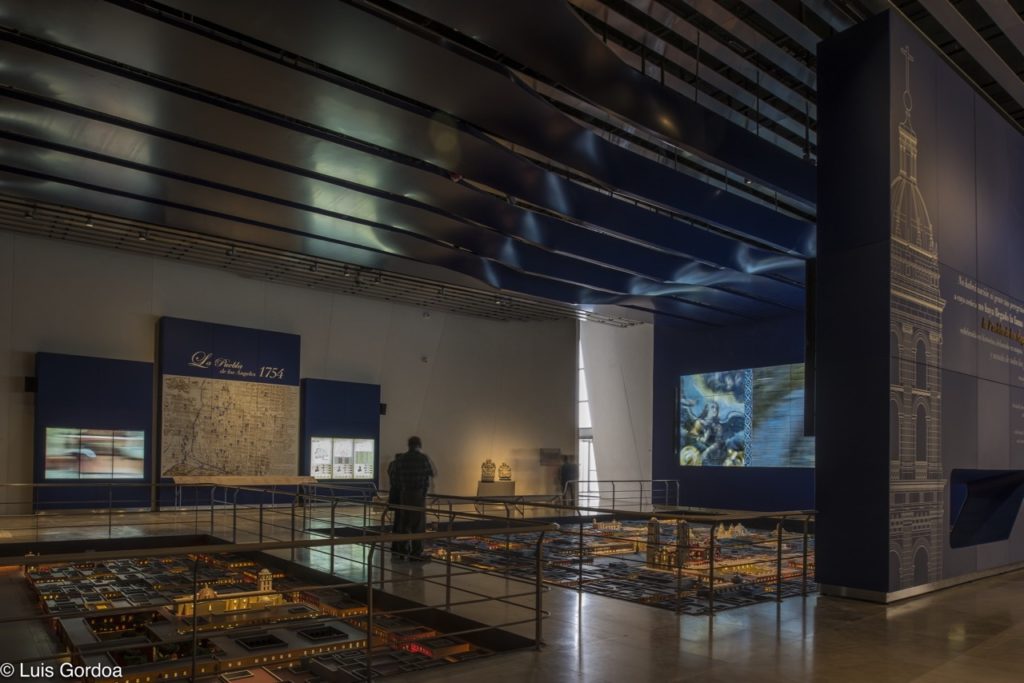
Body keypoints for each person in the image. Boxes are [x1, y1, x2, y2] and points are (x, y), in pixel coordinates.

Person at [390, 436, 435, 560]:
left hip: (404, 494)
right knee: (418, 526)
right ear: (419, 445)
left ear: (408, 445)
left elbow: (394, 479)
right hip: (418, 495)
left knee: (404, 525)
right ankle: (416, 553)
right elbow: (431, 473)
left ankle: (403, 550)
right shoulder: (422, 459)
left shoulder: (401, 459)